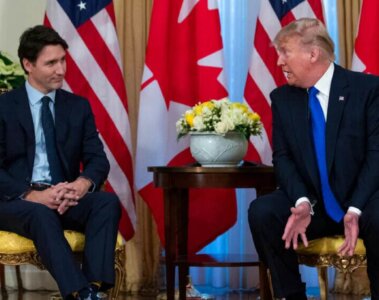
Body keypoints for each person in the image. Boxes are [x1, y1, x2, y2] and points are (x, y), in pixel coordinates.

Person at [248, 18, 379, 299]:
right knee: (263, 212)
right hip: (315, 206)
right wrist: (301, 202)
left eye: (285, 52)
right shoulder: (283, 98)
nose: (279, 62)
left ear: (313, 53)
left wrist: (355, 209)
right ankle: (291, 295)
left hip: (364, 202)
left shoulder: (367, 90)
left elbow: (376, 155)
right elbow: (283, 158)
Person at [0, 25, 121, 300]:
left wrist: (81, 184)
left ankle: (95, 288)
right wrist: (33, 195)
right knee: (40, 212)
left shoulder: (77, 106)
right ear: (28, 64)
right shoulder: (5, 107)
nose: (61, 70)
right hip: (16, 200)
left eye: (63, 60)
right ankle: (79, 292)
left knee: (106, 202)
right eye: (51, 63)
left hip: (64, 196)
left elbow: (97, 159)